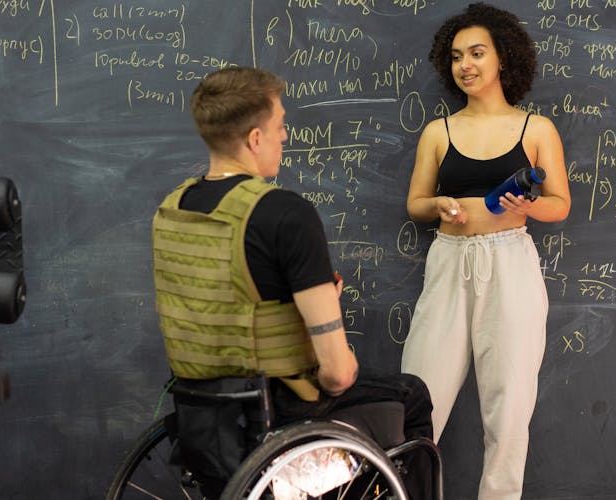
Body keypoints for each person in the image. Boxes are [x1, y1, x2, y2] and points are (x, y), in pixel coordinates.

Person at [151, 66, 434, 498]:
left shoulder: (171, 210)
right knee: (411, 394)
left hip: (201, 413)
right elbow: (337, 375)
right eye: (280, 126)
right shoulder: (285, 214)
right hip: (276, 413)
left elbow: (230, 300)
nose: (286, 136)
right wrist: (325, 317)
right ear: (254, 138)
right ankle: (306, 486)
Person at [400, 3, 571, 500]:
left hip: (510, 263)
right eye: (456, 56)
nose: (465, 65)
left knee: (510, 404)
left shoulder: (535, 129)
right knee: (418, 396)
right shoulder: (439, 132)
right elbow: (414, 204)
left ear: (504, 60)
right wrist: (437, 204)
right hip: (450, 260)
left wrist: (528, 205)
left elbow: (559, 204)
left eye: (477, 53)